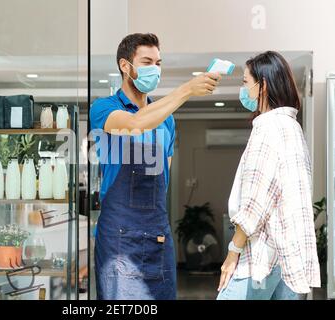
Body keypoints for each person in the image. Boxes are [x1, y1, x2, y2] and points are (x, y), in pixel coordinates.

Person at [89, 33, 221, 300]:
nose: (155, 69)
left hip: (157, 236)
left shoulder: (167, 121)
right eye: (147, 61)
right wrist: (186, 89)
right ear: (125, 66)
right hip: (119, 240)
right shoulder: (103, 108)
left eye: (159, 63)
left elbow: (164, 179)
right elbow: (135, 124)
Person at [217, 51, 320, 300]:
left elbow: (255, 203)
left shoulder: (268, 128)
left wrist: (232, 252)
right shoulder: (293, 129)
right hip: (291, 257)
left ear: (262, 85)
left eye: (245, 82)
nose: (243, 90)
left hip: (262, 257)